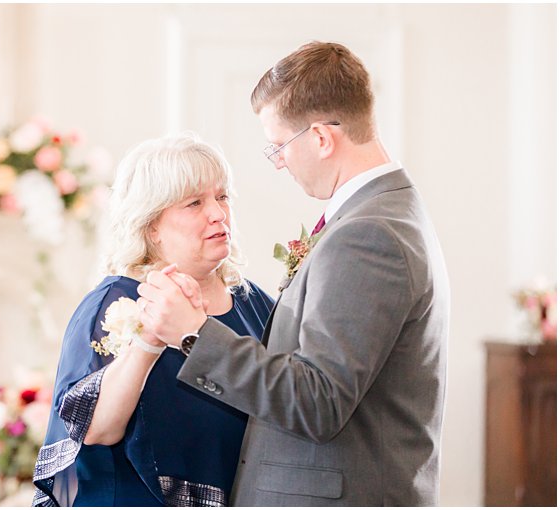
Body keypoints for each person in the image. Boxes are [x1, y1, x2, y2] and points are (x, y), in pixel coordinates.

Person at [137, 41, 449, 505]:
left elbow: (318, 401)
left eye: (279, 146)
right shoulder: (388, 211)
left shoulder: (370, 234)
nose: (279, 161)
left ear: (321, 138)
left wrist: (194, 333)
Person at [32, 133, 275, 506]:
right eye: (194, 202)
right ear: (151, 227)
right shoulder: (115, 303)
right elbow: (94, 429)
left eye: (222, 196)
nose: (217, 213)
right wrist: (148, 341)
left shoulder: (254, 302)